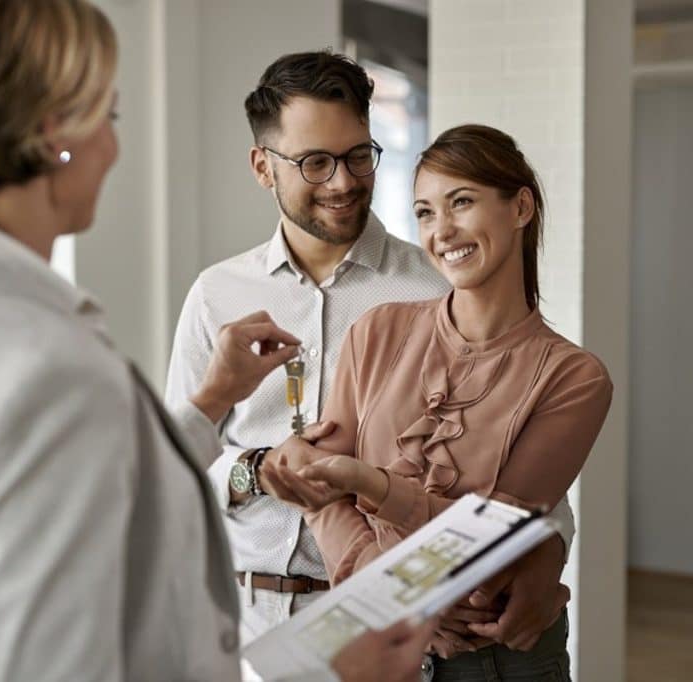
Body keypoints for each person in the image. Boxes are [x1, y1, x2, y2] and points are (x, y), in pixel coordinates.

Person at [0, 2, 433, 680]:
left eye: (357, 156)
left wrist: (211, 399)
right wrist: (336, 676)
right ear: (51, 132)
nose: (113, 147)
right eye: (109, 115)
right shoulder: (51, 367)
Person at [164, 51, 577, 666]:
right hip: (253, 625)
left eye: (359, 155)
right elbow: (179, 460)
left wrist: (548, 555)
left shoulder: (439, 288)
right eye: (315, 162)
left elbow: (525, 477)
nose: (343, 181)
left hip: (413, 627)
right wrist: (255, 468)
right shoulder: (216, 294)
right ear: (262, 167)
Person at [262, 124, 613, 680]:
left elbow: (490, 540)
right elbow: (322, 496)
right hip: (380, 644)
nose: (442, 230)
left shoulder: (574, 378)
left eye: (462, 202)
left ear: (520, 207)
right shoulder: (375, 332)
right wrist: (395, 595)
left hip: (496, 664)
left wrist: (371, 484)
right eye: (425, 212)